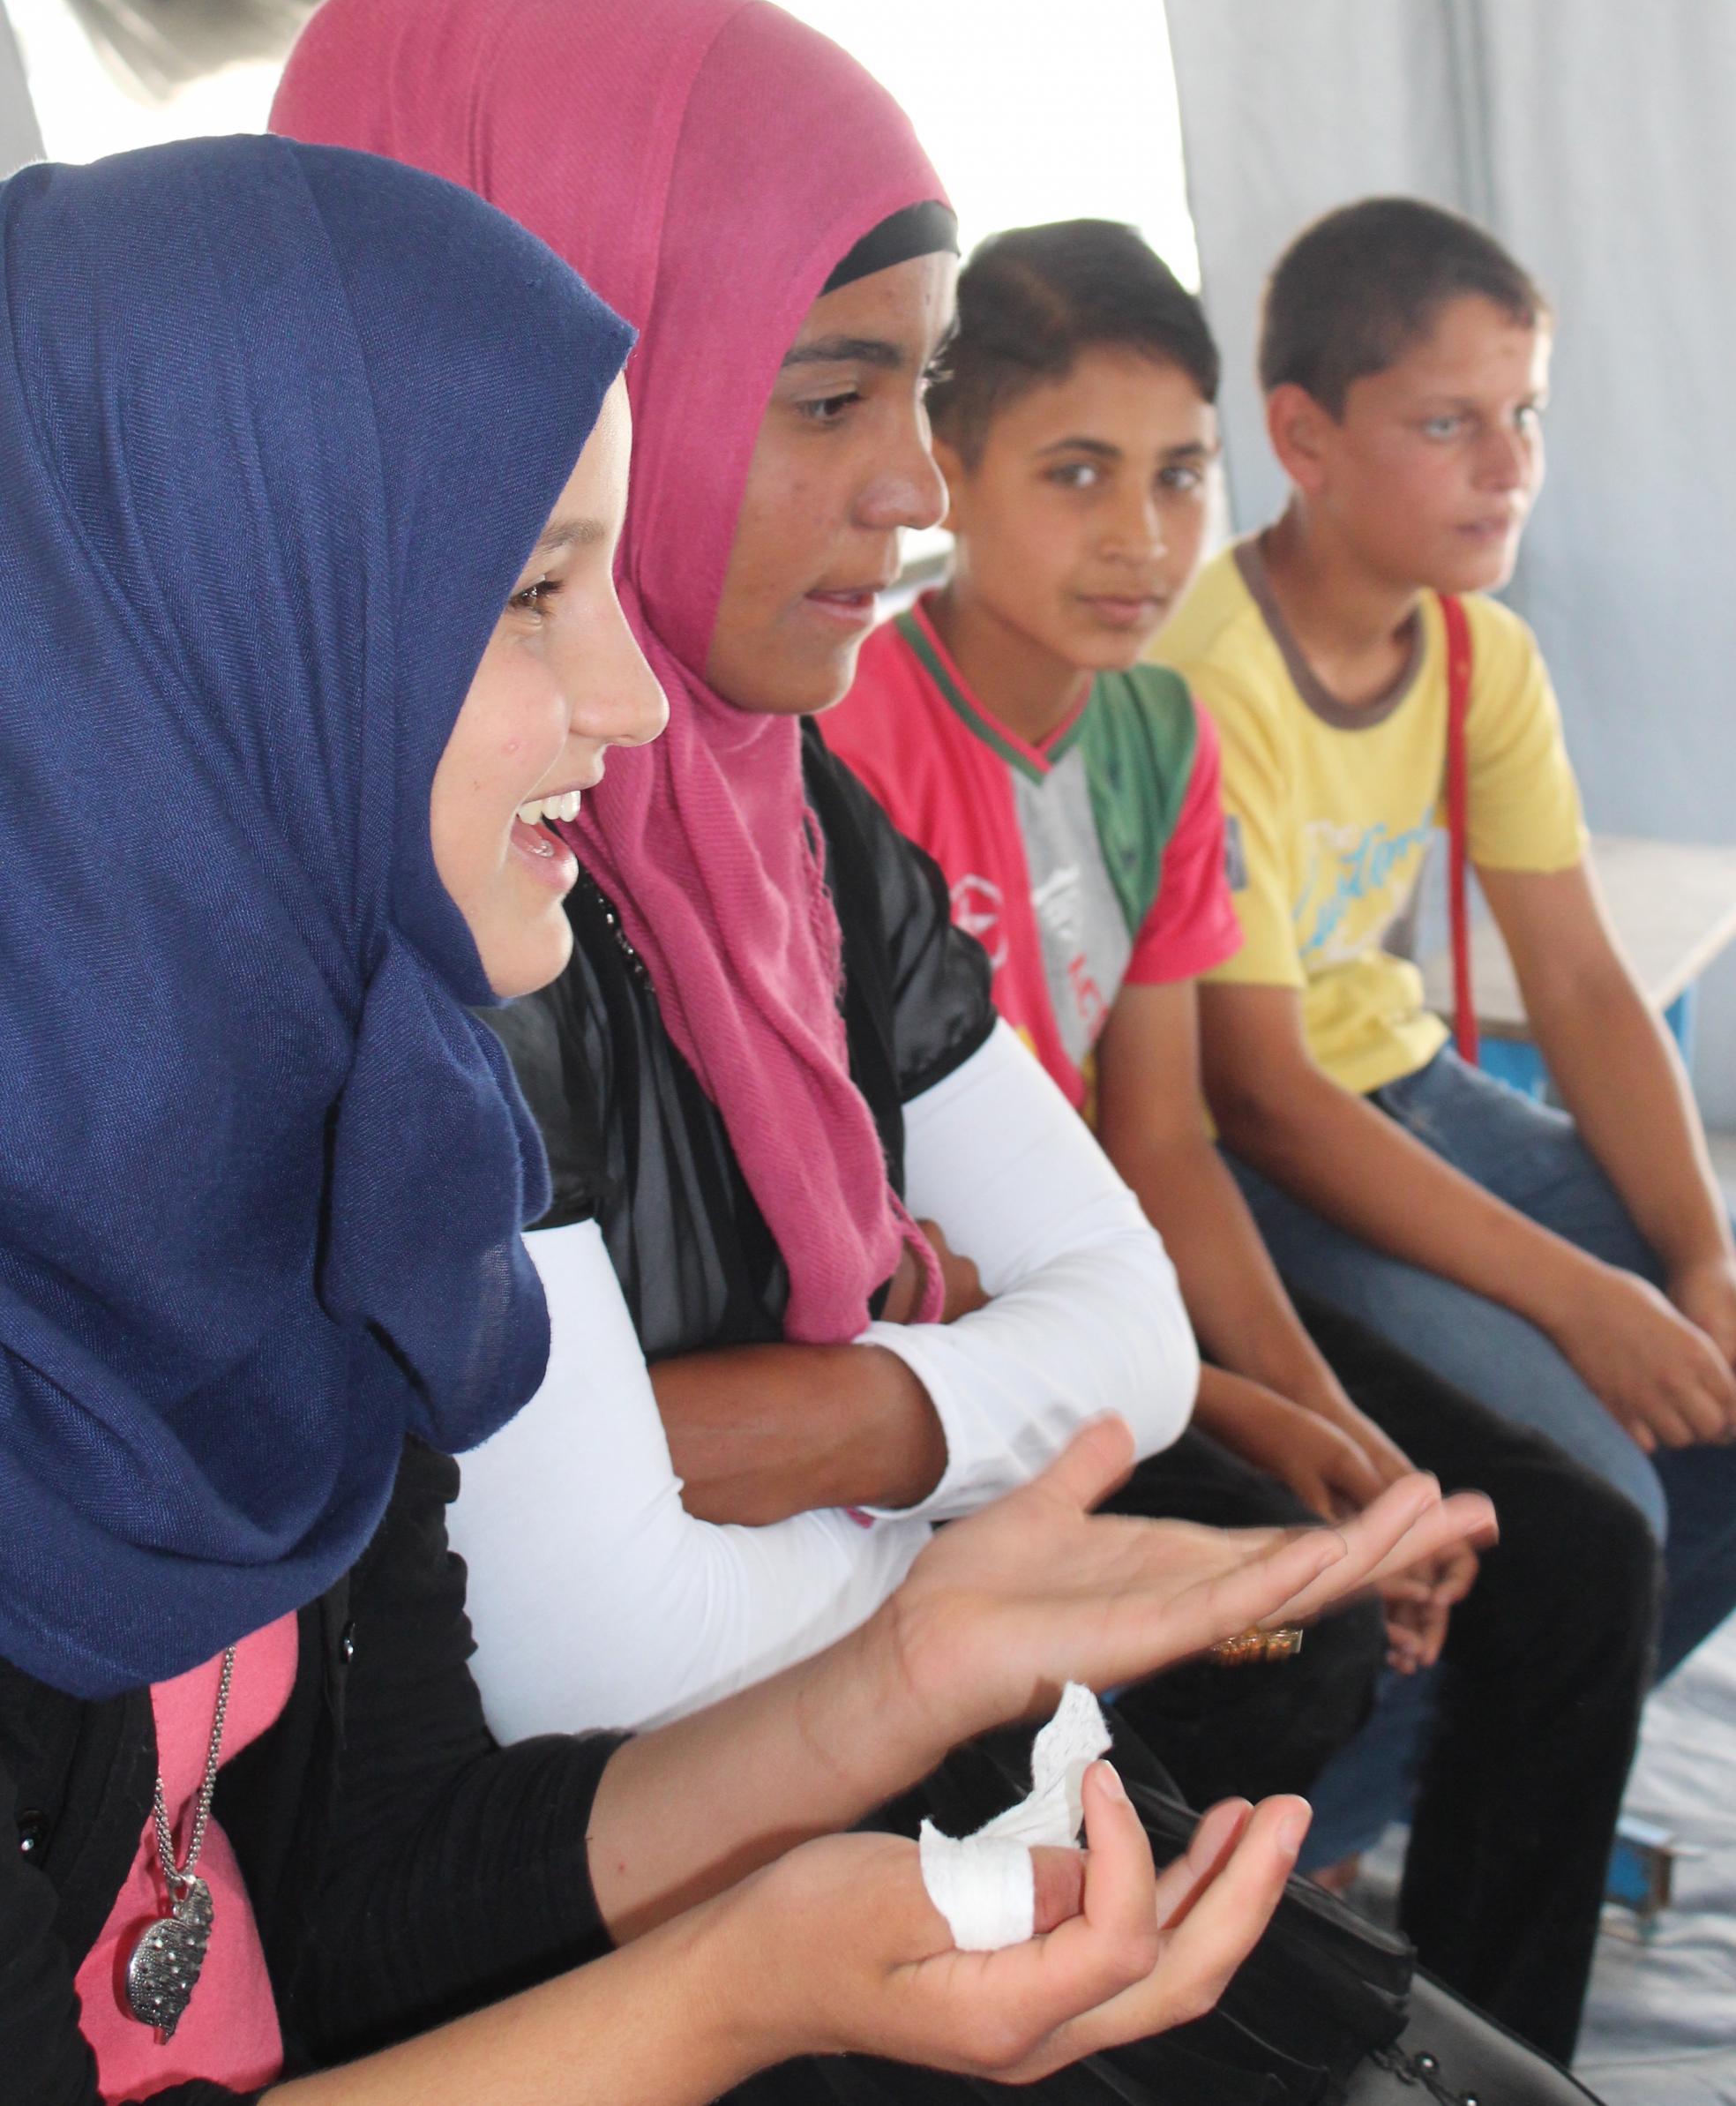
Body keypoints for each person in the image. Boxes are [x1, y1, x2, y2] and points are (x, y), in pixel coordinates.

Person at [0, 133, 1487, 2106]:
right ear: (197, 623)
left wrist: (890, 1678)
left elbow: (356, 1886)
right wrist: (728, 1990)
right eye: (529, 595)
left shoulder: (334, 1148)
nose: (623, 697)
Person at [267, 0, 1397, 1812]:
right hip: (563, 1878)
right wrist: (978, 1533)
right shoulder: (432, 877)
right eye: (823, 399)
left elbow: (1125, 1315)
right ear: (587, 355)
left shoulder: (778, 802)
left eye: (923, 390)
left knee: (1302, 1622)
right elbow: (588, 1646)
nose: (918, 489)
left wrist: (821, 1420)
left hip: (811, 1714)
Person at [821, 216, 1659, 2061]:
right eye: (1076, 475)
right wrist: (1246, 1414)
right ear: (947, 473)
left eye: (1179, 474)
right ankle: (1118, 1981)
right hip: (960, 1354)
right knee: (1302, 1629)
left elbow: (1173, 1143)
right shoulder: (857, 737)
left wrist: (1324, 1418)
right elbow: (898, 1229)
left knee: (1571, 1542)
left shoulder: (1158, 739)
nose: (1141, 535)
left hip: (1136, 1303)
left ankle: (1474, 2039)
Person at [1152, 195, 1736, 1676]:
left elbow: (1581, 981)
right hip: (1268, 1154)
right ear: (1303, 440)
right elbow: (1258, 1093)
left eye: (1527, 415)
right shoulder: (1209, 679)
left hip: (1418, 1100)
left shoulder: (1478, 647)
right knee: (1588, 1501)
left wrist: (1699, 1263)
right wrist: (1587, 1297)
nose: (1510, 470)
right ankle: (1326, 1841)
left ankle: (1501, 1763)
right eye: (1447, 426)